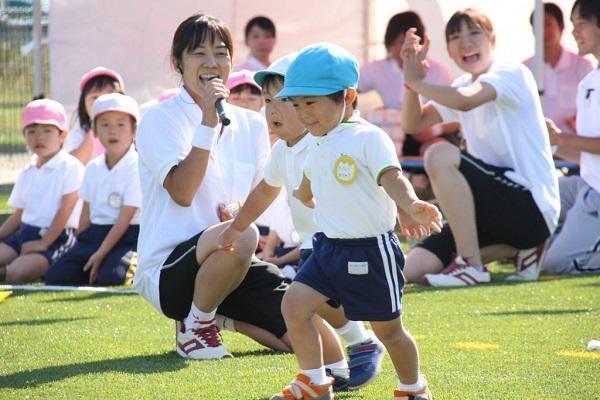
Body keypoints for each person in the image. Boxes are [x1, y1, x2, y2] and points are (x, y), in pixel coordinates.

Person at [225, 43, 441, 400]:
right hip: (328, 248)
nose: (302, 113)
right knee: (293, 305)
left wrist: (411, 203)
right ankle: (314, 381)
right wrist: (306, 195)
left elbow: (391, 177)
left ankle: (413, 388)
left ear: (349, 96)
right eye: (296, 104)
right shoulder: (317, 139)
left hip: (371, 250)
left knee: (389, 331)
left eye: (310, 103)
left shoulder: (368, 137)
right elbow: (310, 179)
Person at [133, 13, 270, 360]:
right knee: (243, 233)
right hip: (169, 272)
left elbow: (261, 193)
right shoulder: (157, 119)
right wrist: (208, 122)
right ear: (178, 61)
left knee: (297, 333)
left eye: (221, 53)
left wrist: (241, 210)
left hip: (231, 265)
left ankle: (210, 316)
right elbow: (182, 192)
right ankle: (193, 328)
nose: (212, 63)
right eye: (199, 53)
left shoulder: (253, 124)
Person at [400, 8, 560, 286]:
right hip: (493, 209)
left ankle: (471, 265)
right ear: (448, 50)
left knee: (438, 154)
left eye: (474, 33)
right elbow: (414, 123)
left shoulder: (510, 72)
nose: (465, 43)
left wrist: (417, 81)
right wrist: (411, 85)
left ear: (492, 38)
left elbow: (465, 101)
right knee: (412, 269)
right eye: (455, 37)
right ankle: (516, 250)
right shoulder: (461, 83)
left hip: (531, 207)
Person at [45, 93, 141, 286]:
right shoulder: (92, 167)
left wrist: (99, 254)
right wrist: (84, 245)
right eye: (105, 125)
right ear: (94, 131)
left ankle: (117, 264)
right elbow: (86, 211)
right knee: (56, 275)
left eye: (121, 124)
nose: (113, 131)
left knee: (112, 278)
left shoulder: (138, 167)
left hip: (128, 236)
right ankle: (100, 264)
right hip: (95, 235)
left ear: (134, 131)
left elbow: (124, 220)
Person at [541, 0, 600, 275]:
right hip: (585, 185)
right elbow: (588, 155)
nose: (575, 31)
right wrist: (549, 142)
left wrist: (561, 138)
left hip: (596, 193)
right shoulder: (588, 82)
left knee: (556, 265)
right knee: (536, 192)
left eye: (581, 23)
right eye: (573, 24)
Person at [0, 99, 83, 282]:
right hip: (25, 232)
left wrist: (44, 242)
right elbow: (18, 215)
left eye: (47, 131)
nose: (39, 137)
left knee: (16, 273)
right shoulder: (27, 170)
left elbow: (66, 209)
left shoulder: (70, 167)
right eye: (32, 131)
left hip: (57, 236)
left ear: (62, 135)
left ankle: (22, 267)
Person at [358, 11, 456, 157]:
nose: (403, 48)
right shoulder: (377, 68)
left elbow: (460, 115)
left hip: (428, 137)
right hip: (394, 137)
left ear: (422, 43)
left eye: (408, 42)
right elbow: (347, 89)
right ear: (389, 44)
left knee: (437, 152)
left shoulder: (439, 72)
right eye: (397, 42)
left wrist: (435, 130)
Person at [523, 2, 594, 134]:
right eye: (537, 25)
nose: (543, 31)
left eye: (548, 24)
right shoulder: (524, 69)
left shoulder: (583, 66)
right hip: (538, 147)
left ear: (561, 27)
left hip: (575, 148)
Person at [65, 67, 125, 165]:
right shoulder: (80, 135)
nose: (102, 102)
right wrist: (95, 127)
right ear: (83, 105)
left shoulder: (131, 130)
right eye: (95, 97)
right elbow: (75, 164)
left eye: (108, 96)